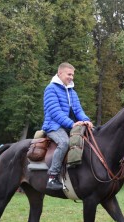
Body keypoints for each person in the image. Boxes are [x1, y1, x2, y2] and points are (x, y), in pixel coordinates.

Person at [42, 62, 94, 191]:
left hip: (68, 126)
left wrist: (86, 120)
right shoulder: (51, 89)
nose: (71, 77)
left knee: (90, 138)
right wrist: (72, 123)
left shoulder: (72, 92)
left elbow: (78, 111)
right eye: (69, 74)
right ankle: (52, 177)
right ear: (60, 73)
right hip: (53, 126)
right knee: (64, 142)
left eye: (73, 75)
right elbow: (55, 112)